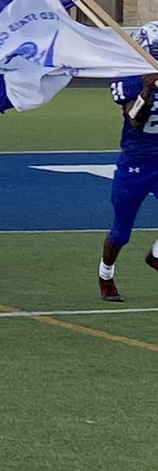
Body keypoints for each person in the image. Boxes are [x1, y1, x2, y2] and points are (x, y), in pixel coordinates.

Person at [98, 21, 158, 302]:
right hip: (136, 162)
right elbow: (135, 120)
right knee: (121, 232)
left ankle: (155, 257)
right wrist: (148, 90)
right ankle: (106, 274)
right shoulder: (130, 78)